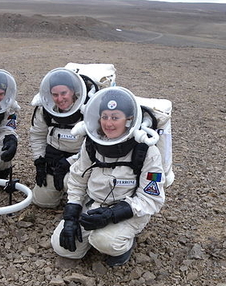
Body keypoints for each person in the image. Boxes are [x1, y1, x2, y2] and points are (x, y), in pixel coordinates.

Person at [51, 86, 166, 266]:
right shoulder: (92, 143)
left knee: (105, 241)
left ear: (129, 120)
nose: (108, 123)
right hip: (93, 204)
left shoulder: (146, 152)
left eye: (115, 117)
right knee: (62, 247)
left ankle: (124, 243)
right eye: (104, 117)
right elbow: (77, 180)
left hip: (128, 211)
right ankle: (98, 234)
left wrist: (112, 214)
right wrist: (71, 217)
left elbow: (151, 199)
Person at [30, 68, 89, 208]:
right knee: (41, 201)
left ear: (73, 91)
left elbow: (96, 146)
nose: (60, 99)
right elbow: (37, 135)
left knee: (76, 193)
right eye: (54, 94)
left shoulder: (88, 110)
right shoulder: (44, 109)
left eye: (64, 93)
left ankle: (79, 191)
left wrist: (69, 163)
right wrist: (39, 161)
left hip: (81, 163)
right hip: (55, 160)